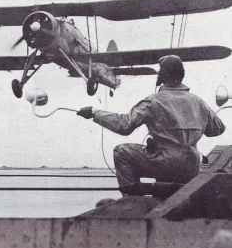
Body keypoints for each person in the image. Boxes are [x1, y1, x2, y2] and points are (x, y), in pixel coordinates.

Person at [77, 55, 225, 194]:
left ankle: (132, 202)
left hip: (164, 162)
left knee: (121, 152)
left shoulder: (153, 102)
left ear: (161, 76)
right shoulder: (198, 102)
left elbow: (124, 125)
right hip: (191, 166)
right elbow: (218, 129)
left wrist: (94, 113)